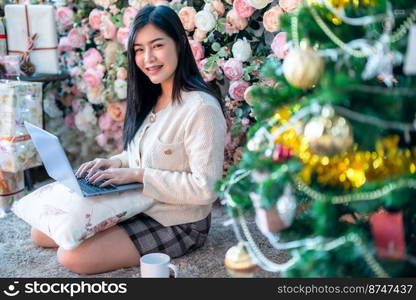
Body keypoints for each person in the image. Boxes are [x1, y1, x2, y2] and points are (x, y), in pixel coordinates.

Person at [30, 4, 226, 275]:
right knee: (40, 232)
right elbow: (141, 154)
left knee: (71, 257)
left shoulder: (200, 108)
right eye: (139, 49)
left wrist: (137, 175)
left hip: (178, 220)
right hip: (136, 203)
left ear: (180, 44)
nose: (148, 58)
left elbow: (206, 188)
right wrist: (110, 163)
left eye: (157, 46)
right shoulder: (153, 98)